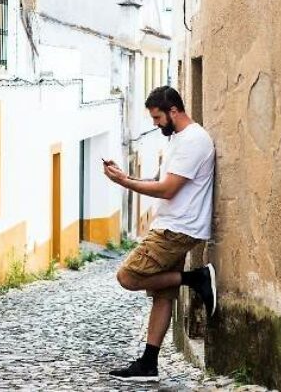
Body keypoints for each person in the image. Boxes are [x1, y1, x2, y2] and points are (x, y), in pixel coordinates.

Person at [102, 86, 217, 382]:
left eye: (157, 117)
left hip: (176, 228)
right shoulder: (180, 139)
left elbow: (168, 189)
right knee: (163, 297)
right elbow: (161, 180)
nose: (155, 123)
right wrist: (125, 175)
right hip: (173, 224)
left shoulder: (194, 140)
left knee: (128, 276)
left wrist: (125, 182)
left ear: (173, 111)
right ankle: (149, 363)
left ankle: (196, 278)